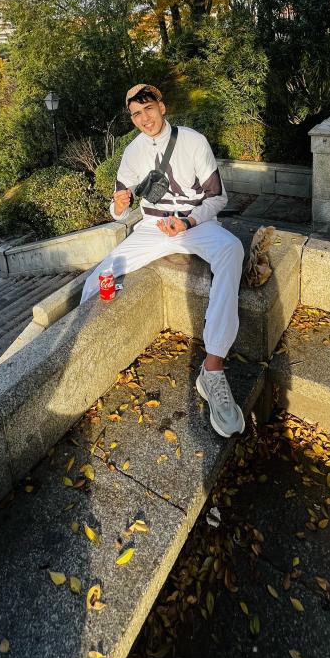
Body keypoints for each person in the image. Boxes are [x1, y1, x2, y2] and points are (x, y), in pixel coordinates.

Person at [81, 84, 246, 437]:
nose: (144, 118)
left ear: (162, 106)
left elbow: (218, 198)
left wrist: (188, 221)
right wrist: (118, 207)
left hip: (194, 225)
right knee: (96, 278)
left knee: (232, 250)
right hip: (153, 228)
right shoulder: (133, 152)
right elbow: (118, 208)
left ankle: (213, 367)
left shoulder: (193, 141)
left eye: (148, 108)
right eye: (136, 114)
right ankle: (90, 351)